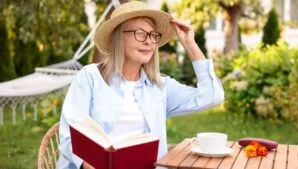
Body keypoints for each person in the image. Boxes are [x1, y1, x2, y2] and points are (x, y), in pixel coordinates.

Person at [57, 1, 224, 169]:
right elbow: (69, 136)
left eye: (153, 35)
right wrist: (90, 165)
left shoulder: (159, 87)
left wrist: (190, 44)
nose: (149, 42)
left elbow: (212, 96)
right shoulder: (90, 77)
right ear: (118, 37)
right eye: (140, 33)